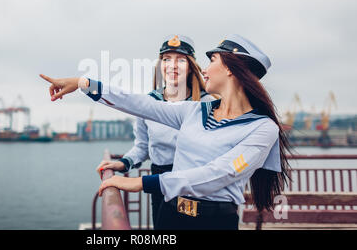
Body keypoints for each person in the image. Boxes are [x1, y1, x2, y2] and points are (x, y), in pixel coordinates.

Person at [39, 34, 292, 230]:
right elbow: (141, 104)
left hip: (214, 222)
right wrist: (83, 83)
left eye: (212, 60)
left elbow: (220, 173)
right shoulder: (193, 112)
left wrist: (140, 182)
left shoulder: (262, 128)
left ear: (230, 68)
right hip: (171, 213)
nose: (204, 69)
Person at [95, 35, 215, 229]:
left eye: (181, 60)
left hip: (195, 183)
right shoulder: (148, 103)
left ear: (191, 66)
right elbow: (143, 146)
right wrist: (123, 163)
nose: (172, 65)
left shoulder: (207, 103)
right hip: (159, 182)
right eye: (167, 59)